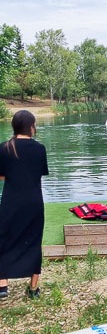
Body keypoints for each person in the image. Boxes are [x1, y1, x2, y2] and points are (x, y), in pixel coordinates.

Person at [0, 110, 49, 300]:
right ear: (31, 126)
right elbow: (37, 174)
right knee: (34, 241)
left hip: (11, 201)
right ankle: (33, 288)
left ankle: (2, 286)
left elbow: (2, 176)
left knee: (4, 239)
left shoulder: (4, 148)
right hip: (34, 201)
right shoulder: (39, 149)